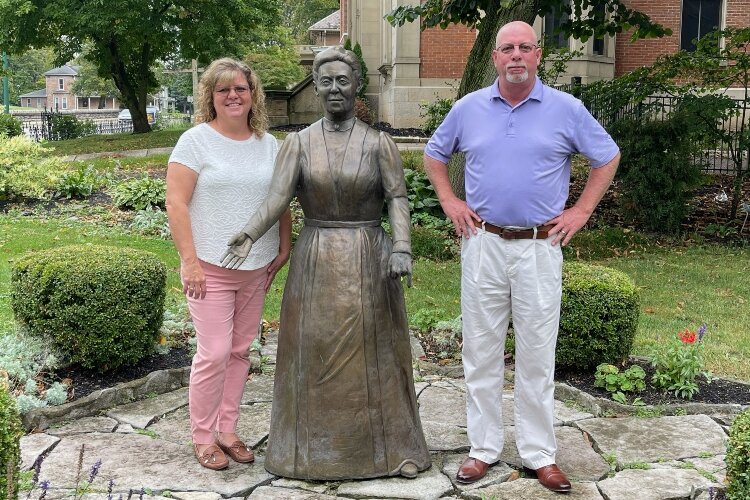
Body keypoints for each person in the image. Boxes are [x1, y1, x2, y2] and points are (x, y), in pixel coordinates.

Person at [423, 21, 620, 492]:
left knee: (536, 352)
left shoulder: (566, 109)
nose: (515, 55)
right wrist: (450, 201)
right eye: (506, 48)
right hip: (483, 244)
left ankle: (539, 453)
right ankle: (483, 449)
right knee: (481, 349)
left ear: (537, 55)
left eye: (524, 48)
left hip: (539, 246)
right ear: (495, 57)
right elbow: (434, 154)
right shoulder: (469, 108)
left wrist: (582, 210)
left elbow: (606, 157)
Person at [220, 45, 431, 480]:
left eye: (343, 80)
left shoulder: (379, 144)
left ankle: (392, 452)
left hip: (369, 255)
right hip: (316, 258)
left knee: (379, 354)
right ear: (315, 87)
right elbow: (278, 197)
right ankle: (303, 455)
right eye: (326, 81)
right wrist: (249, 231)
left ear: (357, 87)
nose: (335, 89)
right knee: (311, 353)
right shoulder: (298, 144)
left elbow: (397, 199)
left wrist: (402, 247)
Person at [165, 58, 292, 471]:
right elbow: (176, 203)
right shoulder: (196, 141)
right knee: (214, 352)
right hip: (210, 269)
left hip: (257, 267)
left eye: (240, 88)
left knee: (240, 351)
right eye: (224, 90)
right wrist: (190, 264)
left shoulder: (269, 145)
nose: (233, 95)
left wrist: (284, 244)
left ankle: (228, 429)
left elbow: (280, 199)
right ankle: (203, 436)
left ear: (252, 94)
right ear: (211, 97)